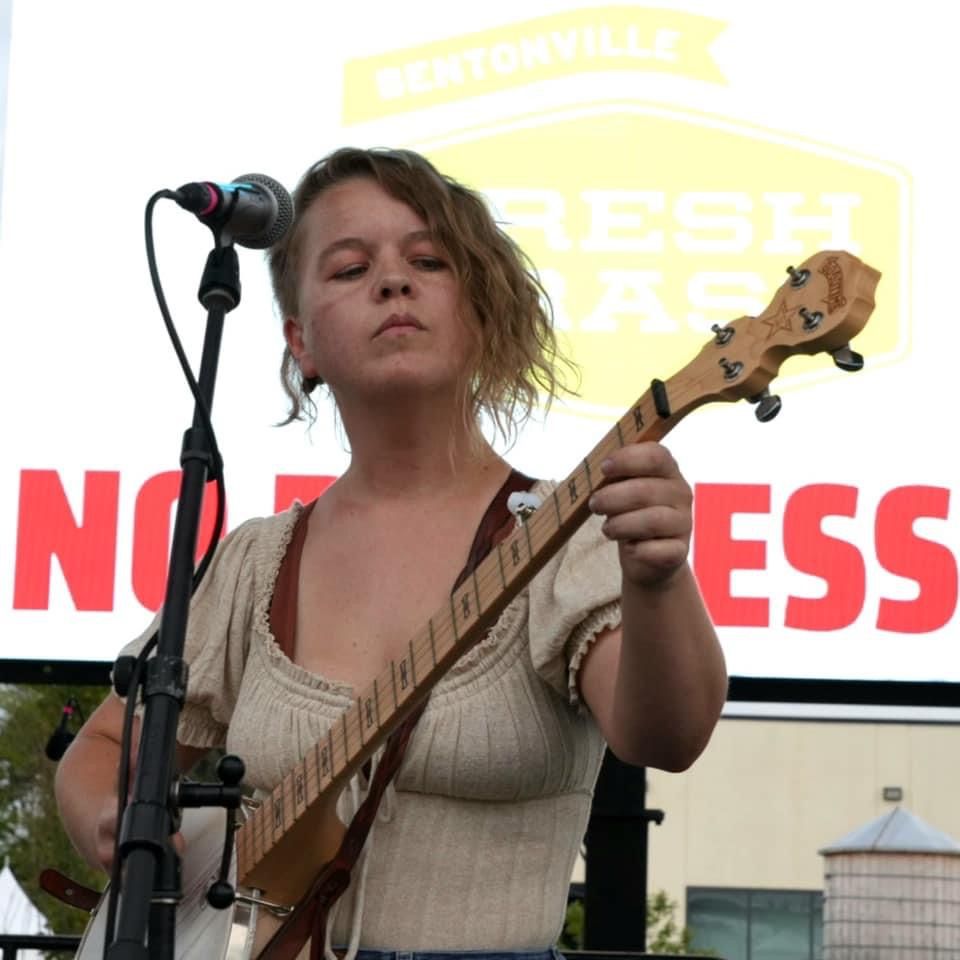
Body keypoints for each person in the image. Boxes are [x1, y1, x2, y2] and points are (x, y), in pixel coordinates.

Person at [55, 147, 728, 960]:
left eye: (428, 261)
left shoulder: (566, 532)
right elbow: (102, 751)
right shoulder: (257, 560)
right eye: (350, 269)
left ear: (481, 312)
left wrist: (659, 580)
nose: (393, 282)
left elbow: (667, 737)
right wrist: (111, 821)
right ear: (301, 343)